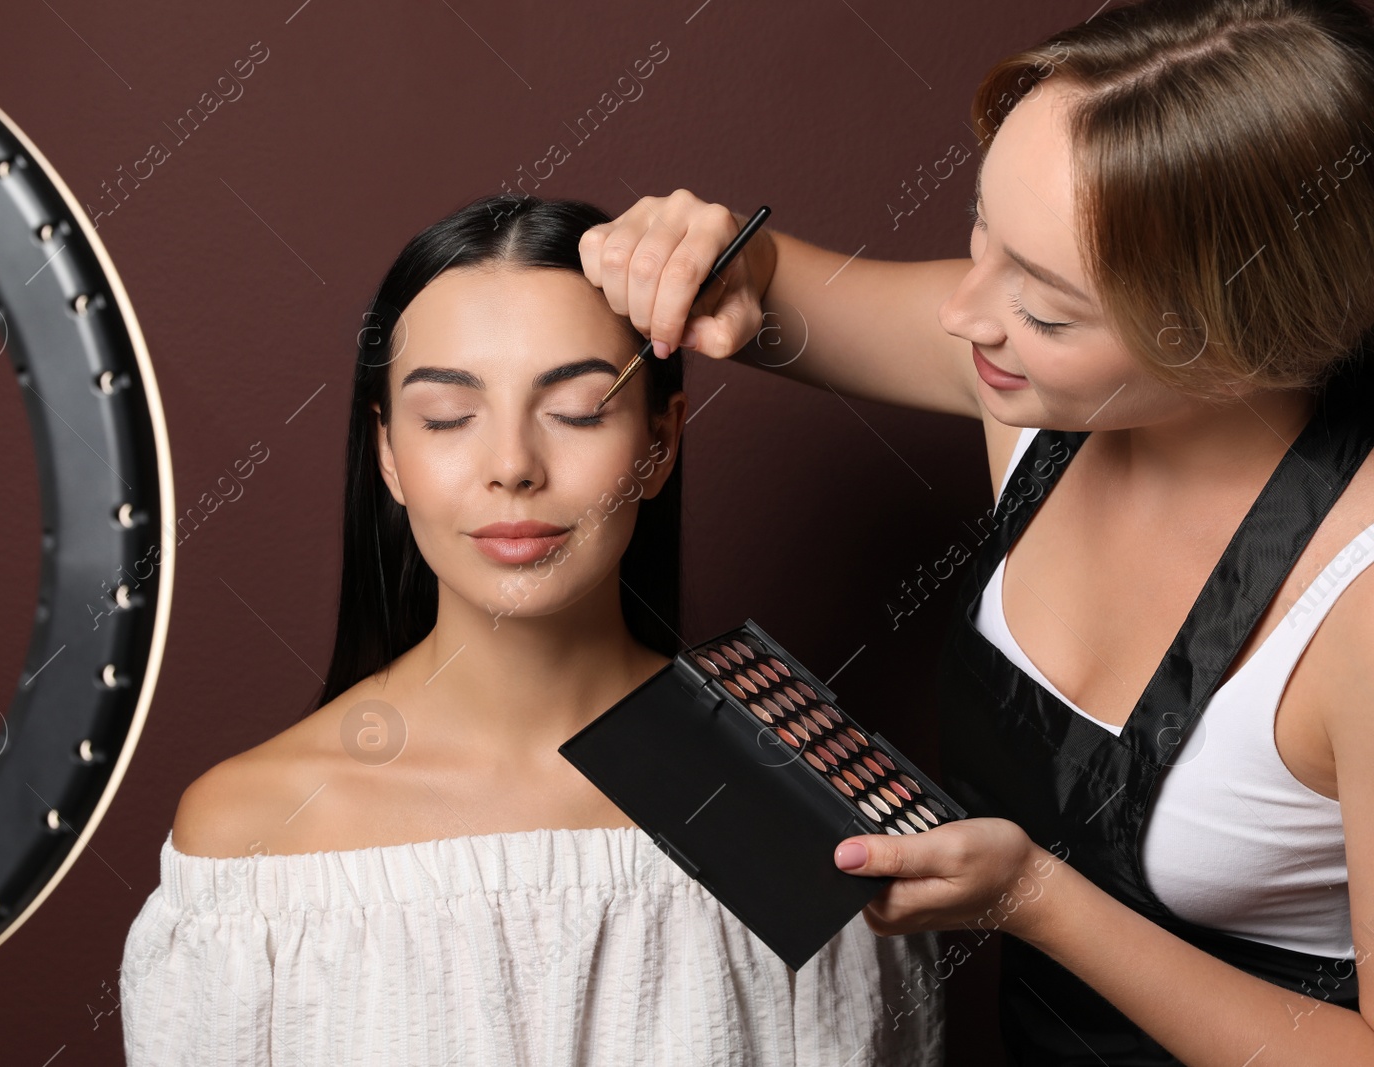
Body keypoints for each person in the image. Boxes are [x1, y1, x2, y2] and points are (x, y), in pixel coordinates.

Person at [578, 0, 1374, 1062]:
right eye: (980, 230)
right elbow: (770, 295)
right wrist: (701, 254)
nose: (964, 315)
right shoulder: (1041, 384)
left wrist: (1039, 898)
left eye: (1047, 308)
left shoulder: (1355, 607)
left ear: (1241, 345)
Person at [117, 195, 945, 1066]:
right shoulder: (251, 837)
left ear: (661, 441)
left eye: (580, 409)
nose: (512, 466)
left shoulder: (804, 805)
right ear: (389, 454)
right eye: (446, 418)